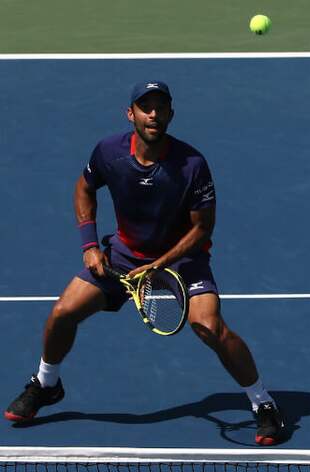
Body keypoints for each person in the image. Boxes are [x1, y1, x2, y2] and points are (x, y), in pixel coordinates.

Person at [5, 80, 286, 445]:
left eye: (160, 107)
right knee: (62, 313)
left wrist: (160, 265)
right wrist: (89, 245)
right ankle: (46, 383)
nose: (153, 114)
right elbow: (84, 188)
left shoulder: (192, 165)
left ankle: (263, 403)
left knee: (208, 327)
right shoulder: (109, 152)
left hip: (183, 259)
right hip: (122, 256)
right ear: (131, 113)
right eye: (145, 107)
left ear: (170, 114)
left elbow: (203, 229)